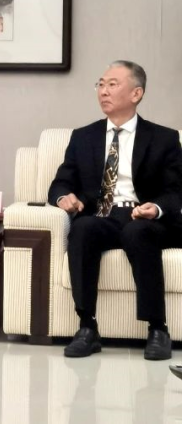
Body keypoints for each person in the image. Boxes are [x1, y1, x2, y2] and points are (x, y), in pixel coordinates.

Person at [50, 60, 182, 360]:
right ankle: (87, 327)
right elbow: (61, 182)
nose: (103, 91)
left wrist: (156, 208)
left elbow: (176, 191)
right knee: (82, 228)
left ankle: (157, 328)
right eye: (100, 84)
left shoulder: (164, 138)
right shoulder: (83, 136)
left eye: (112, 84)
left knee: (138, 232)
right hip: (104, 216)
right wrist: (64, 198)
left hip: (145, 219)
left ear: (136, 93)